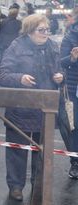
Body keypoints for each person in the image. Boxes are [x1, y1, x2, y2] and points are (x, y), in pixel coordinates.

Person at [0, 14, 63, 201]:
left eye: (47, 30)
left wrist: (60, 77)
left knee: (41, 152)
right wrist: (20, 78)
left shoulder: (52, 46)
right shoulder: (16, 47)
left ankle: (38, 185)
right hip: (20, 109)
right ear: (29, 30)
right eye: (41, 30)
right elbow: (2, 75)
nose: (46, 34)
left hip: (45, 110)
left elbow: (58, 70)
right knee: (17, 151)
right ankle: (16, 187)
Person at [58, 9, 78, 179]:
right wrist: (71, 59)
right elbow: (59, 63)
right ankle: (75, 162)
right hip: (73, 91)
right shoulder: (70, 37)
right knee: (72, 128)